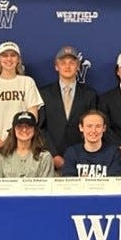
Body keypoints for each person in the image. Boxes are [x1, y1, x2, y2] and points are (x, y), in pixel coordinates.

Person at [0, 41, 44, 158]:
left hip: (23, 148)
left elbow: (33, 117)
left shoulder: (27, 82)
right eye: (4, 55)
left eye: (13, 55)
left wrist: (18, 142)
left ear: (18, 59)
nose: (9, 59)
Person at [38, 45, 98, 173]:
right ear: (56, 66)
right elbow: (40, 128)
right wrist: (53, 155)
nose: (67, 66)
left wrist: (82, 155)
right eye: (63, 63)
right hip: (52, 161)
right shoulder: (44, 94)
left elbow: (93, 127)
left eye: (72, 62)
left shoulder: (89, 95)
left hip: (82, 160)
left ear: (78, 66)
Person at [0, 111, 54, 178]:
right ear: (13, 130)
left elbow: (47, 187)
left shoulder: (45, 157)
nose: (24, 130)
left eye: (29, 126)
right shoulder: (1, 155)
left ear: (35, 130)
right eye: (19, 126)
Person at [62, 110, 121, 177]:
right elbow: (69, 182)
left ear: (104, 128)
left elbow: (114, 183)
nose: (94, 130)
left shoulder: (114, 153)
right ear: (81, 127)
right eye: (89, 126)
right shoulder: (71, 152)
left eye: (98, 126)